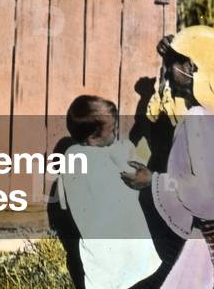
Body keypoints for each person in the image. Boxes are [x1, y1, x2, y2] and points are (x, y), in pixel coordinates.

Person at [121, 26, 214, 289]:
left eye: (173, 63)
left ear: (190, 65)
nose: (167, 70)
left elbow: (207, 196)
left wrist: (153, 181)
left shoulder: (199, 120)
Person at [57, 95, 161, 289]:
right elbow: (135, 178)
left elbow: (63, 201)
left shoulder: (70, 157)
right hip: (127, 241)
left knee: (105, 275)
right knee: (136, 276)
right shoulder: (114, 154)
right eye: (112, 130)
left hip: (97, 244)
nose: (115, 134)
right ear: (93, 138)